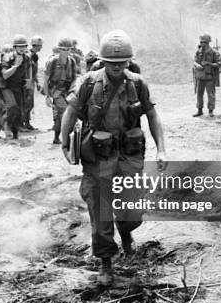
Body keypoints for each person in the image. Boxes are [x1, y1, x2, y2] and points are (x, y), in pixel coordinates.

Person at [60, 29, 167, 286]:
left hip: (129, 158)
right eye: (112, 63)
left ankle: (126, 231)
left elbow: (152, 116)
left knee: (132, 213)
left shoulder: (138, 83)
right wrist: (65, 142)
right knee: (100, 210)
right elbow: (70, 113)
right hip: (98, 159)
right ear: (103, 61)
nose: (117, 67)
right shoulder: (87, 83)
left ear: (129, 61)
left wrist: (161, 149)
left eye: (122, 62)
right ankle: (106, 263)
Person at [43, 37, 77, 144]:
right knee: (63, 112)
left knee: (67, 114)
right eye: (63, 49)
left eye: (68, 49)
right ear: (59, 49)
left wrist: (72, 91)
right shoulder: (52, 62)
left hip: (67, 91)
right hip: (55, 91)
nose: (66, 52)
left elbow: (74, 78)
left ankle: (58, 138)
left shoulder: (72, 61)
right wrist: (47, 96)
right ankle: (63, 138)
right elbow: (46, 80)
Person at [1, 35, 30, 140]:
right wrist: (15, 66)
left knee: (18, 111)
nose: (22, 48)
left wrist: (28, 79)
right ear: (14, 47)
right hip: (6, 87)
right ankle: (6, 128)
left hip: (18, 87)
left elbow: (27, 69)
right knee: (12, 107)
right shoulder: (7, 57)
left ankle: (15, 133)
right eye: (19, 46)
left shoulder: (26, 58)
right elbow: (5, 75)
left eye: (24, 46)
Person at [193, 34, 221, 117]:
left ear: (208, 42)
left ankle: (211, 110)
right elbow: (195, 61)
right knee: (199, 94)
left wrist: (209, 64)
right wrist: (196, 65)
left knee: (211, 94)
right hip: (200, 76)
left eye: (204, 42)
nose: (202, 44)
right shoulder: (199, 52)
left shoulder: (214, 53)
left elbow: (218, 64)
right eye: (201, 42)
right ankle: (199, 110)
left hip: (210, 77)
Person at [23, 35, 43, 131]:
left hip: (31, 83)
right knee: (26, 103)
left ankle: (27, 122)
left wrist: (37, 82)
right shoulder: (28, 55)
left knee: (30, 104)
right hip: (26, 83)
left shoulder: (35, 56)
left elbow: (34, 71)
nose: (41, 47)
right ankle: (24, 123)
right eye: (39, 45)